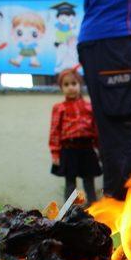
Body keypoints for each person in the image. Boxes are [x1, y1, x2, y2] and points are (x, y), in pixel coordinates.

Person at [77, 0, 131, 200]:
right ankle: (126, 215)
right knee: (127, 134)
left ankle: (120, 216)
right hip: (115, 38)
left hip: (113, 38)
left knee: (119, 133)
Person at [49, 69, 102, 204]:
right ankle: (68, 214)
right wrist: (55, 153)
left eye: (74, 83)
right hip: (69, 150)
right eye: (66, 85)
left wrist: (100, 149)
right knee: (70, 183)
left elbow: (96, 129)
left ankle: (93, 211)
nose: (71, 87)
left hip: (87, 148)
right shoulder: (59, 108)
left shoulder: (90, 107)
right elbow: (55, 131)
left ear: (80, 85)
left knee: (89, 181)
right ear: (61, 88)